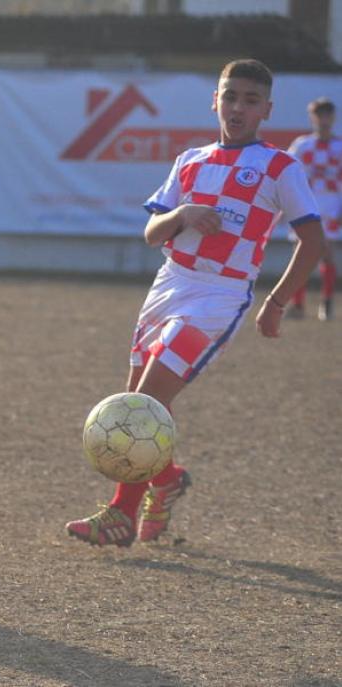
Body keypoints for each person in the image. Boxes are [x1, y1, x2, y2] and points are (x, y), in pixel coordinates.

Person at [65, 59, 325, 547]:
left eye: (251, 100)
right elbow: (152, 233)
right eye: (230, 97)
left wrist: (276, 303)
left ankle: (121, 516)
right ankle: (165, 481)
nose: (238, 108)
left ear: (267, 110)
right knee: (135, 404)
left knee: (144, 405)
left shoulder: (279, 167)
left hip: (218, 296)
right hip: (169, 284)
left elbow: (312, 242)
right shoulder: (190, 160)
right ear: (215, 101)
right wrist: (184, 213)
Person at [286, 97, 340, 321]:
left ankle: (326, 304)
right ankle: (297, 305)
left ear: (333, 117)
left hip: (332, 208)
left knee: (327, 255)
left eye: (327, 115)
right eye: (319, 115)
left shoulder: (339, 147)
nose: (323, 120)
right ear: (312, 117)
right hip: (305, 207)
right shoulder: (302, 145)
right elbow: (288, 175)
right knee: (299, 257)